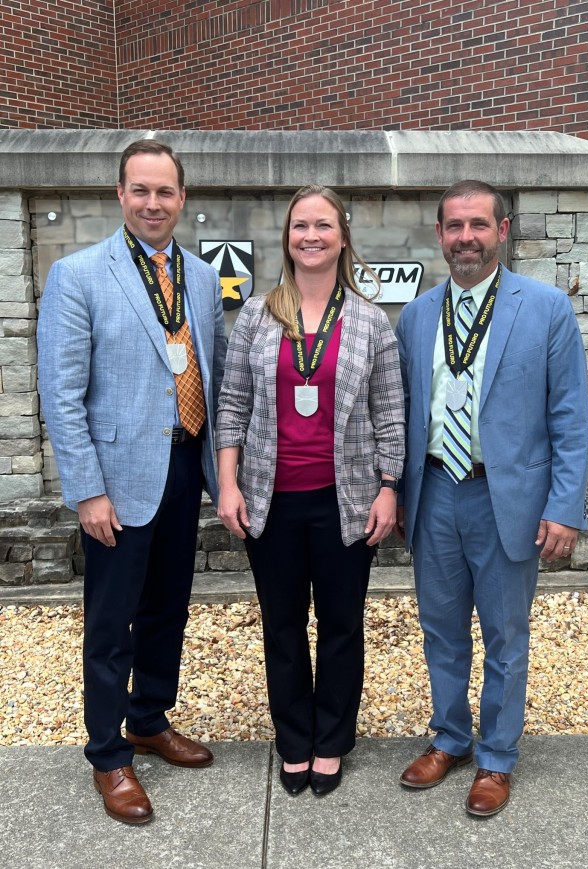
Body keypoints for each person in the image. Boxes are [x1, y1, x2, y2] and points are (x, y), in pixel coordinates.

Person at [37, 139, 227, 824]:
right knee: (110, 620)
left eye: (165, 191)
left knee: (168, 607)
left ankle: (149, 716)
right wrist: (87, 489)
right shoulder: (79, 275)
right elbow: (62, 393)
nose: (153, 202)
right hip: (116, 482)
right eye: (140, 190)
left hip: (186, 465)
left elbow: (215, 372)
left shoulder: (202, 279)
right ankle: (108, 753)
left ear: (183, 199)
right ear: (120, 195)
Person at [396, 180, 588, 816]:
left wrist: (564, 505)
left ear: (502, 231)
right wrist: (395, 493)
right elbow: (400, 414)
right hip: (435, 494)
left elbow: (568, 412)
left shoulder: (545, 308)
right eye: (454, 226)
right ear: (439, 234)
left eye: (479, 225)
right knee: (440, 629)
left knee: (505, 633)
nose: (466, 238)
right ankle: (450, 737)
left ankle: (498, 756)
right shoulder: (418, 315)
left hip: (506, 497)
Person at [215, 185, 405, 797]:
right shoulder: (257, 315)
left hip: (345, 499)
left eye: (323, 225)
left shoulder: (371, 321)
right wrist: (226, 483)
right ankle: (294, 738)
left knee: (343, 625)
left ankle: (333, 740)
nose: (311, 236)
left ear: (343, 237)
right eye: (300, 226)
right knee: (283, 626)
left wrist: (387, 487)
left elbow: (389, 411)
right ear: (287, 238)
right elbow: (233, 405)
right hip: (271, 499)